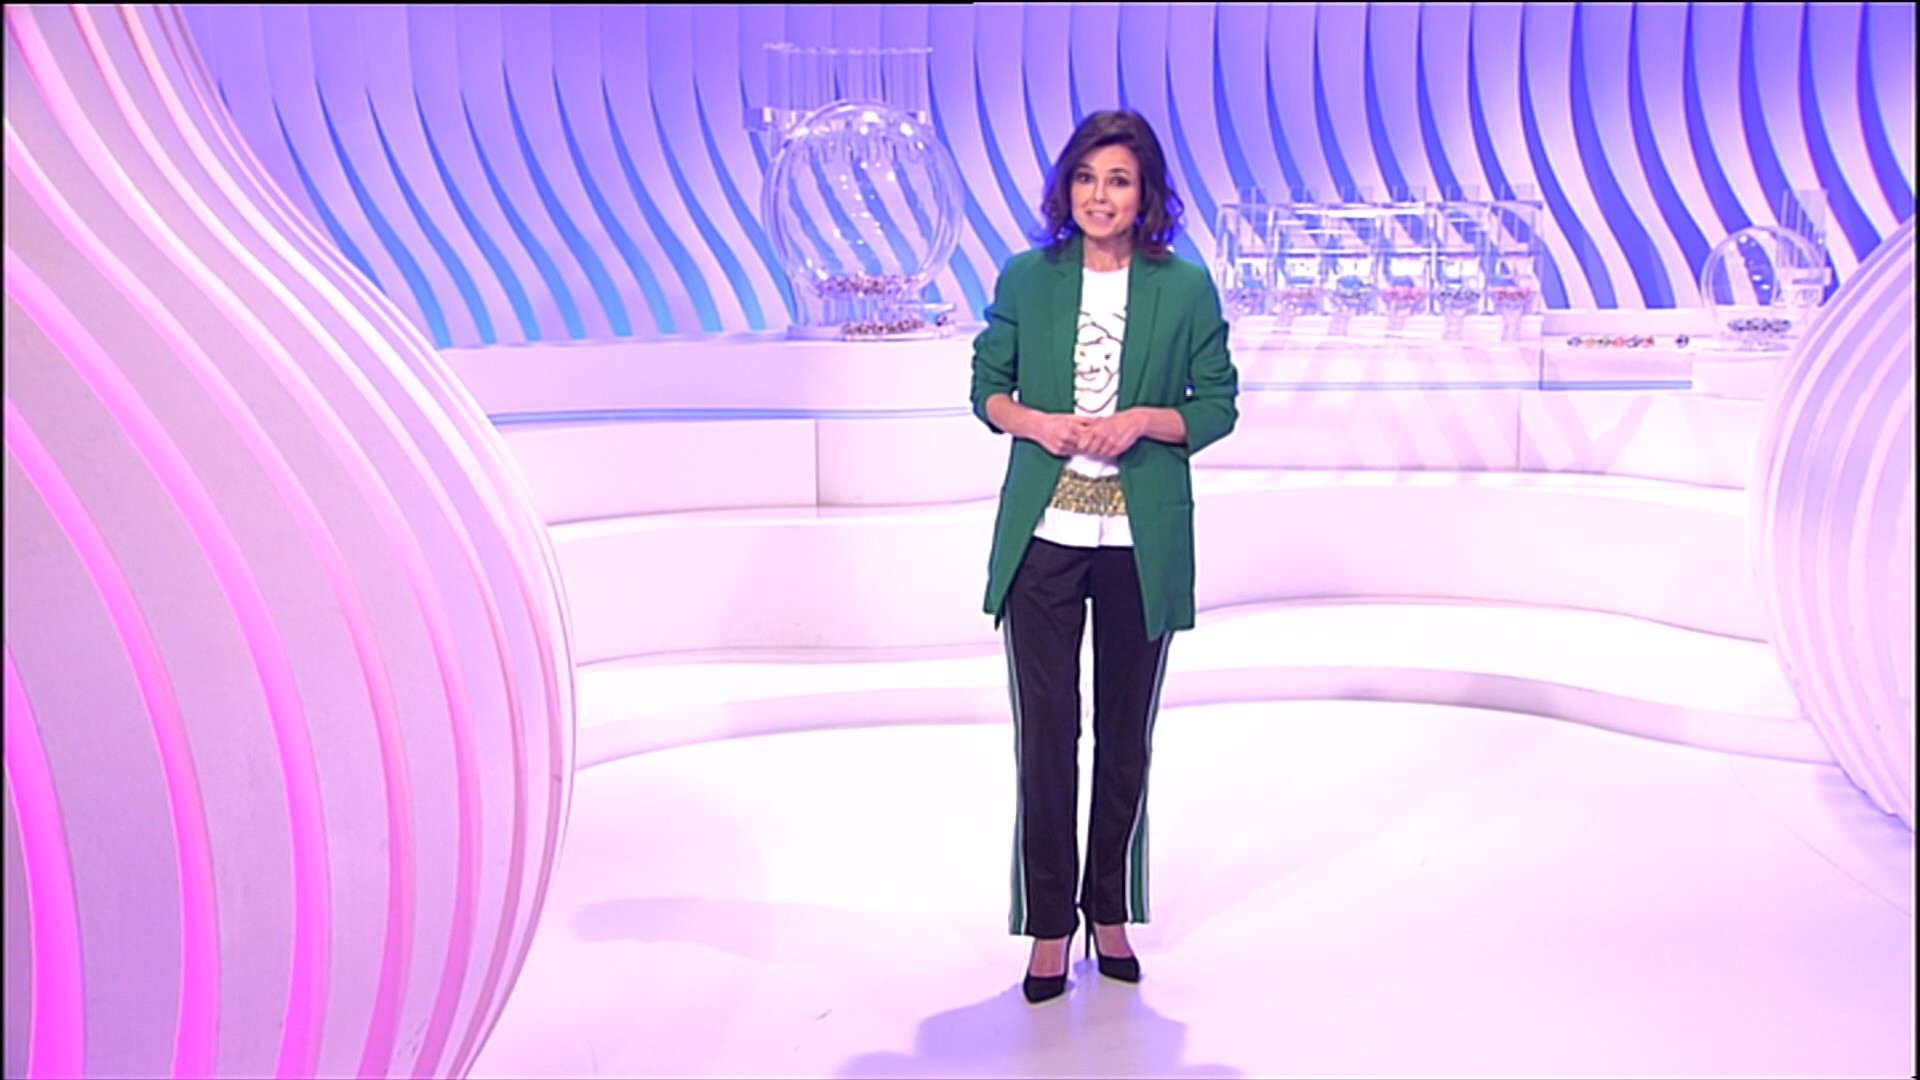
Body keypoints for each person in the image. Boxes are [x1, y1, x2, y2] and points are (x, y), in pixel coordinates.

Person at [969, 109, 1239, 1004]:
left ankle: (1110, 911)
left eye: (1118, 180)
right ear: (1067, 188)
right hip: (1044, 540)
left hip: (1139, 543)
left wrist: (1145, 422)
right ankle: (1050, 924)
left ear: (1145, 193)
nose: (1099, 196)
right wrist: (1036, 423)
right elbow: (987, 389)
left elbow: (1218, 405)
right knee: (1048, 738)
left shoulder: (1184, 287)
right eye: (1086, 178)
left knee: (1124, 738)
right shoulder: (1028, 278)